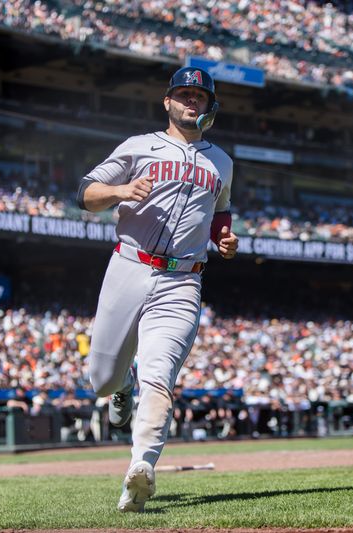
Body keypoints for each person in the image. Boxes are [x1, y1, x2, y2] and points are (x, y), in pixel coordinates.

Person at [77, 66, 238, 512]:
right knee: (102, 380)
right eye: (184, 94)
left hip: (183, 279)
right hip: (129, 266)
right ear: (167, 101)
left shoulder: (221, 162)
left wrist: (224, 237)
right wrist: (122, 189)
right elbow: (84, 193)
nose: (192, 101)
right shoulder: (138, 147)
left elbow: (220, 211)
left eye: (200, 97)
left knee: (161, 377)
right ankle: (121, 385)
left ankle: (140, 470)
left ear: (209, 106)